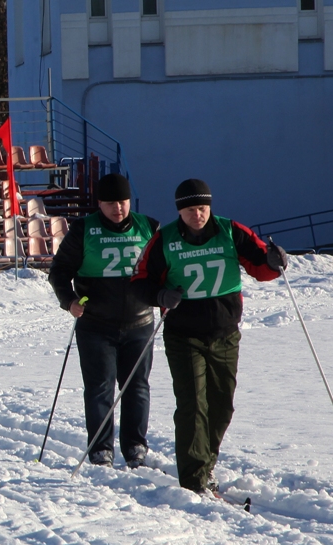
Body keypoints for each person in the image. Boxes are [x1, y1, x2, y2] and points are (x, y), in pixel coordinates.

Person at [131, 179, 287, 494]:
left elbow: (262, 267)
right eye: (191, 210)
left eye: (202, 208)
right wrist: (161, 296)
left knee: (221, 406)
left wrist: (275, 261)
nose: (198, 215)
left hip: (225, 334)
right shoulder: (165, 240)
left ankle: (206, 466)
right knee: (192, 405)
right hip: (183, 335)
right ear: (180, 211)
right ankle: (194, 481)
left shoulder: (231, 232)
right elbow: (139, 281)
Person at [48, 174, 160, 468]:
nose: (118, 208)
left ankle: (135, 446)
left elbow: (166, 268)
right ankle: (100, 447)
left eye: (122, 202)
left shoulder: (149, 227)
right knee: (100, 387)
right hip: (95, 324)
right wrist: (69, 301)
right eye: (110, 203)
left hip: (140, 323)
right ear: (99, 203)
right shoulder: (83, 229)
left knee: (137, 386)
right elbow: (59, 271)